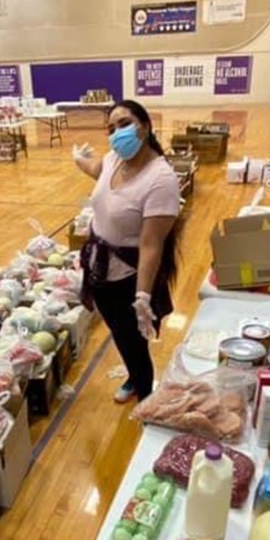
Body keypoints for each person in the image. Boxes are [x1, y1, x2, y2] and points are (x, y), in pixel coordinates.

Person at [73, 99, 181, 403]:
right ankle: (134, 378)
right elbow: (96, 169)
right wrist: (78, 159)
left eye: (124, 124)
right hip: (100, 270)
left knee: (134, 342)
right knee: (118, 333)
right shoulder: (113, 159)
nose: (116, 133)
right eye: (111, 128)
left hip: (128, 278)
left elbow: (151, 243)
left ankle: (146, 398)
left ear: (144, 127)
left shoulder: (160, 180)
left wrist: (143, 296)